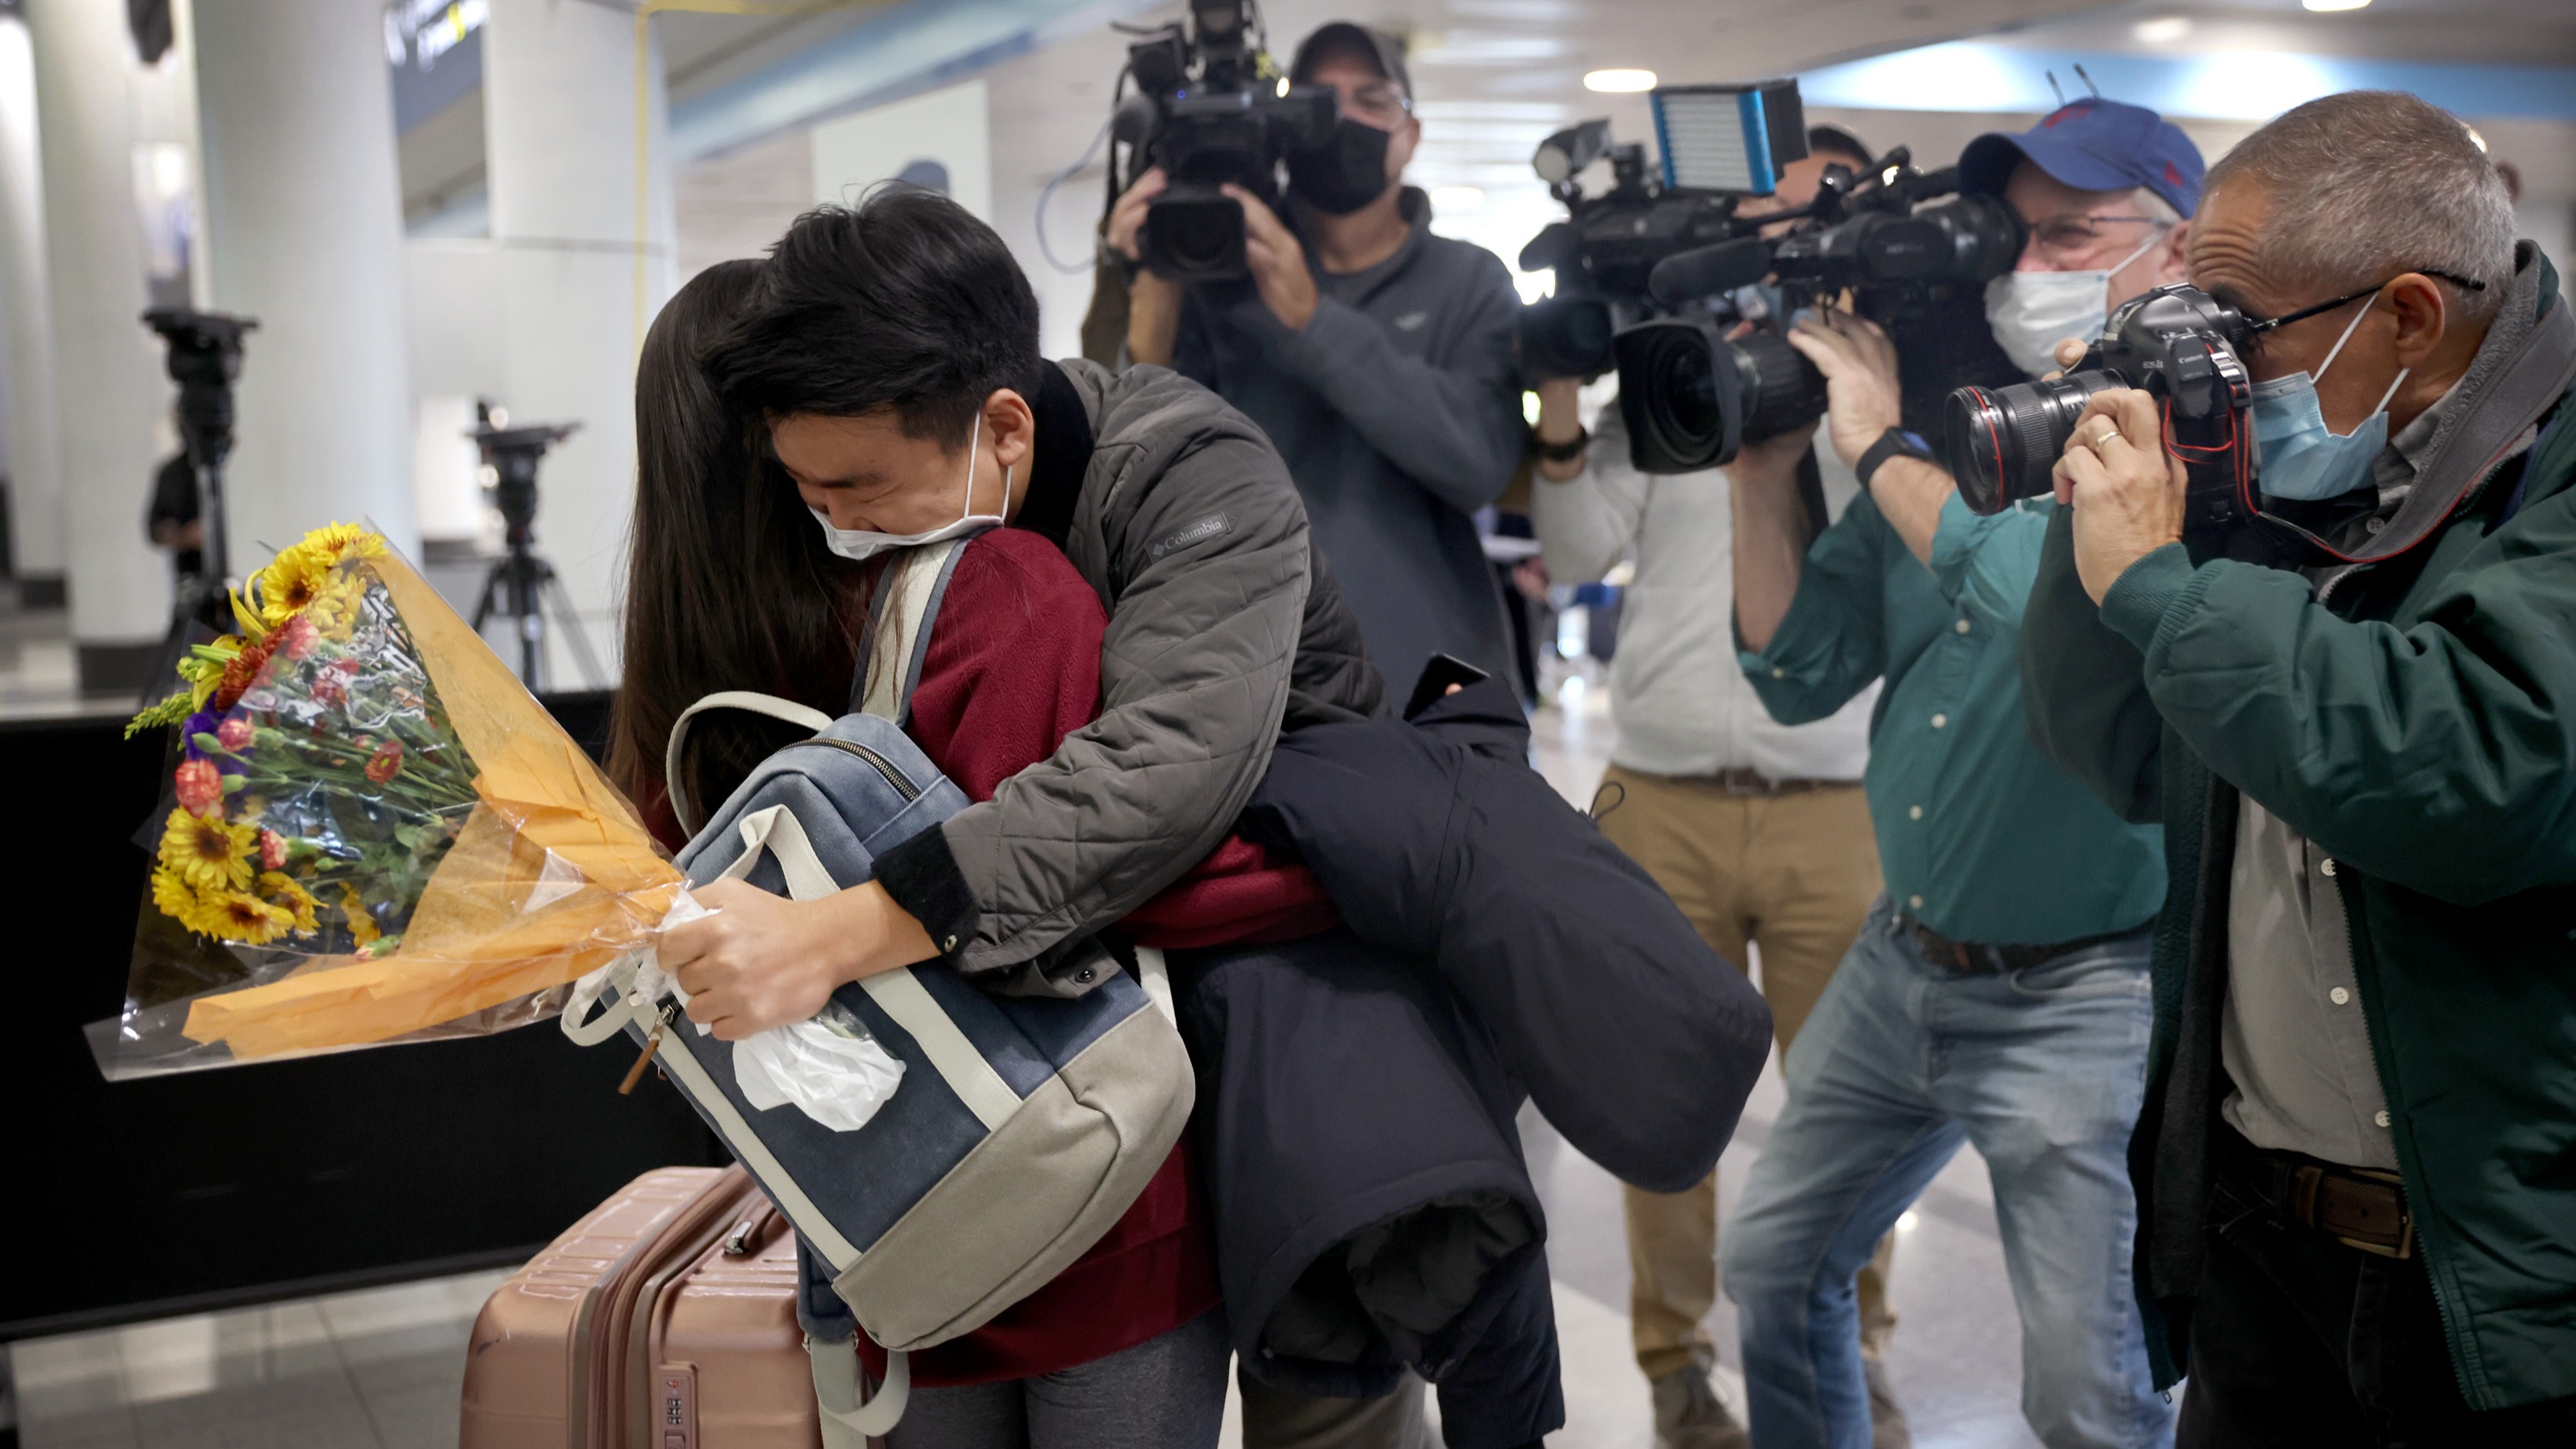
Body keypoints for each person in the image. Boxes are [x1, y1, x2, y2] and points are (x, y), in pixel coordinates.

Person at [2020, 90, 2576, 1444]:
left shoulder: (2551, 480)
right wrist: (2108, 499)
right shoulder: (2288, 460)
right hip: (2265, 1238)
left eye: (2242, 332)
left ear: (2408, 316)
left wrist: (2161, 583)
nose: (2222, 363)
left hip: (2499, 1271)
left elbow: (2470, 773)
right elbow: (2124, 755)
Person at [1715, 98, 2205, 1449]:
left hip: (2083, 988)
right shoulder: (1955, 431)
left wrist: (1875, 447)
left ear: (2177, 250)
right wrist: (1764, 474)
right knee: (1773, 1261)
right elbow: (1797, 667)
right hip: (1903, 960)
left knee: (2089, 1393)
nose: (2029, 263)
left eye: (2073, 233)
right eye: (2016, 234)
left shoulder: (2189, 457)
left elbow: (2019, 581)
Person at [1528, 125, 1900, 1449]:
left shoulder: (1894, 396)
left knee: (1857, 1111)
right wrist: (1566, 408)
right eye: (1766, 218)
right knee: (1660, 1100)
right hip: (1662, 800)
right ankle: (1676, 1363)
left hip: (1838, 803)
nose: (1784, 246)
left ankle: (1855, 1343)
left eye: (1815, 218)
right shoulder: (1678, 380)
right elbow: (1574, 547)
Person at [1113, 21, 1526, 688]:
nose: (1345, 119)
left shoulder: (1471, 281)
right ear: (1286, 123)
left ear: (1411, 134)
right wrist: (1156, 274)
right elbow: (1139, 462)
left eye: (1374, 100)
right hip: (1259, 685)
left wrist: (1312, 320)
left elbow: (1479, 462)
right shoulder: (1222, 283)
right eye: (1320, 100)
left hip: (1432, 692)